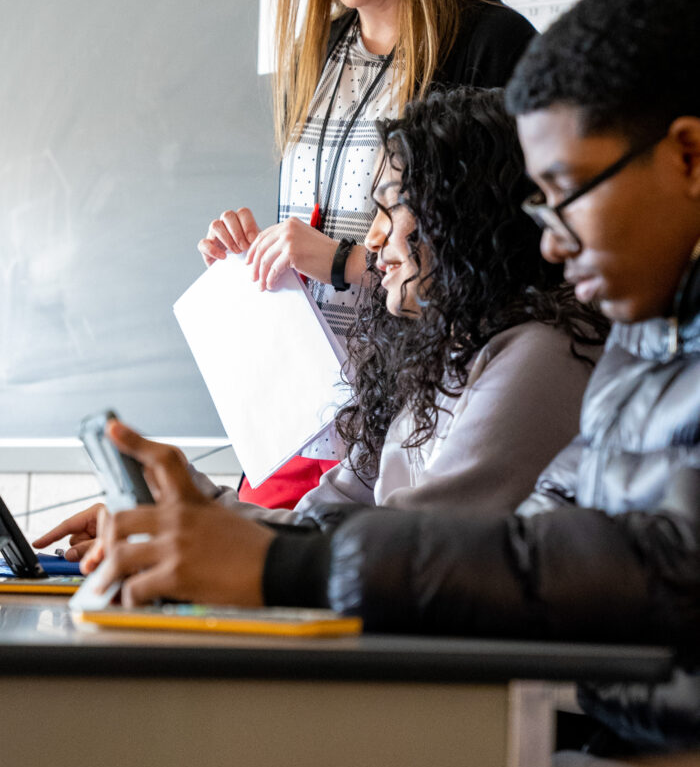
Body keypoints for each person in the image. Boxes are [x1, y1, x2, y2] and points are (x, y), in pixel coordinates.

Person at [92, 0, 700, 758]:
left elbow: (633, 569)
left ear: (687, 155)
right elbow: (539, 536)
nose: (553, 240)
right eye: (540, 206)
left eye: (568, 192)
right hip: (598, 742)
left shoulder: (554, 349)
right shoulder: (640, 341)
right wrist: (208, 522)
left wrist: (290, 569)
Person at [35, 86, 605, 557]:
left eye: (391, 211)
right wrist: (181, 503)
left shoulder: (537, 356)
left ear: (465, 220)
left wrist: (194, 530)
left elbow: (405, 550)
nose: (373, 239)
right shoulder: (433, 355)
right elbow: (318, 526)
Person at [197, 0, 535, 508]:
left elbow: (508, 273)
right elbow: (323, 224)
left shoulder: (492, 46)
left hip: (420, 424)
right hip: (305, 419)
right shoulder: (320, 49)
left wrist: (345, 263)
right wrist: (259, 252)